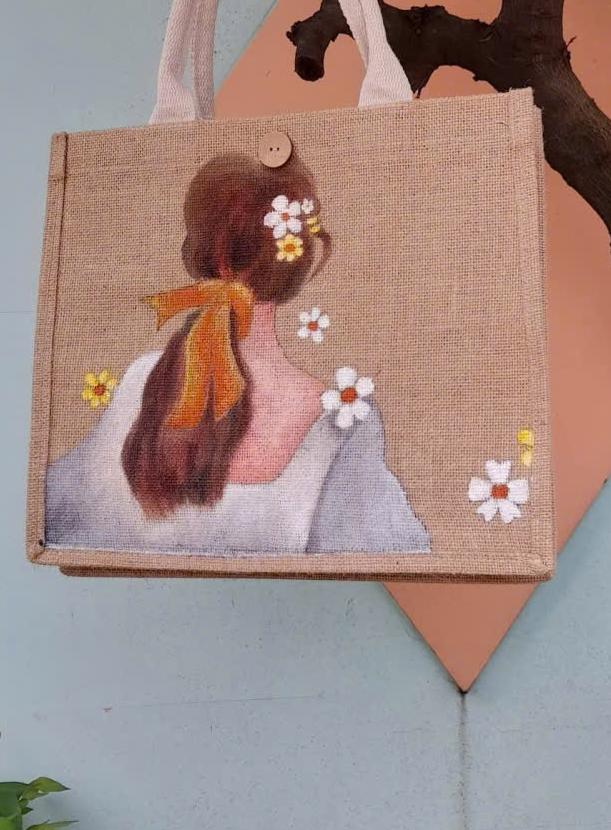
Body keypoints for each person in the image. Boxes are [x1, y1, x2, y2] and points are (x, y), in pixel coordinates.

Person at [45, 152, 430, 557]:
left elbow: (59, 519)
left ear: (203, 253)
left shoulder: (140, 379)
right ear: (298, 260)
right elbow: (391, 555)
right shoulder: (342, 416)